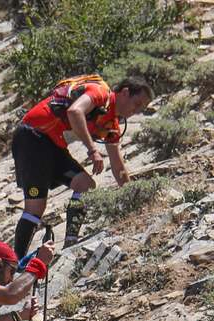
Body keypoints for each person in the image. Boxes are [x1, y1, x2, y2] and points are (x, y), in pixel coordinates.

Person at [10, 75, 153, 258]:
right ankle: (16, 262)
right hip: (32, 135)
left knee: (85, 185)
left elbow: (118, 168)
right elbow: (75, 111)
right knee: (35, 207)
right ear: (125, 92)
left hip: (52, 144)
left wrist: (133, 196)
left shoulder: (112, 125)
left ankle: (70, 242)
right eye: (137, 103)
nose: (138, 111)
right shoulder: (101, 92)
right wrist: (92, 150)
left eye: (142, 108)